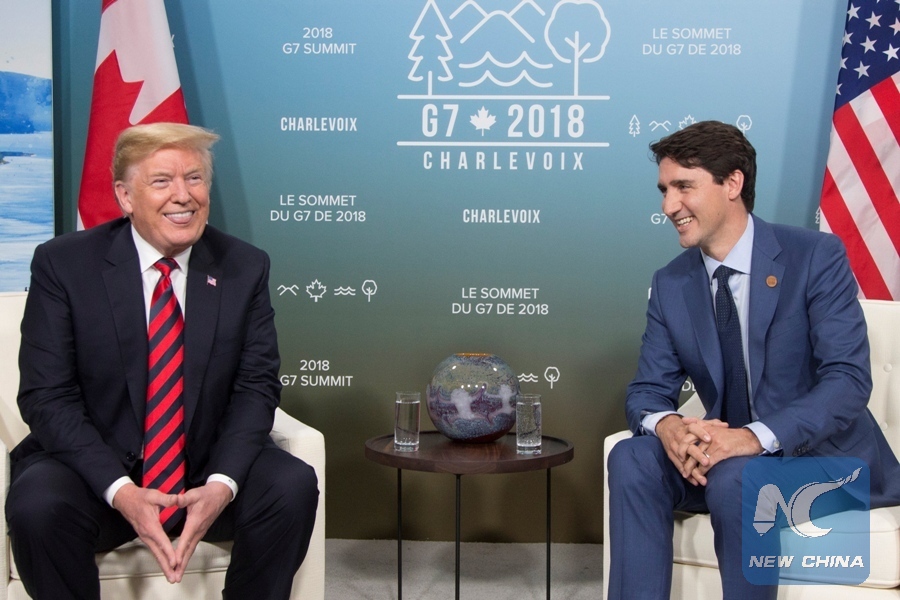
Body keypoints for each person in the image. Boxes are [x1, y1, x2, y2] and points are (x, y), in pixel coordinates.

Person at [7, 122, 318, 599]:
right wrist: (120, 490)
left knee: (291, 485)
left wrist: (221, 484)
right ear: (125, 196)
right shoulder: (64, 265)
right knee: (37, 504)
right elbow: (46, 396)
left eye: (195, 178)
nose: (183, 195)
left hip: (202, 471)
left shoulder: (243, 266)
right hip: (96, 473)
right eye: (162, 181)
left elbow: (255, 387)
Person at [607, 120, 900, 599]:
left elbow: (847, 381)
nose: (668, 206)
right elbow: (647, 391)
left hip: (823, 463)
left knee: (738, 478)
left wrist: (750, 438)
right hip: (724, 463)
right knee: (632, 457)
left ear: (732, 183)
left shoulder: (815, 256)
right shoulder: (671, 282)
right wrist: (669, 426)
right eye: (664, 190)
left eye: (684, 187)